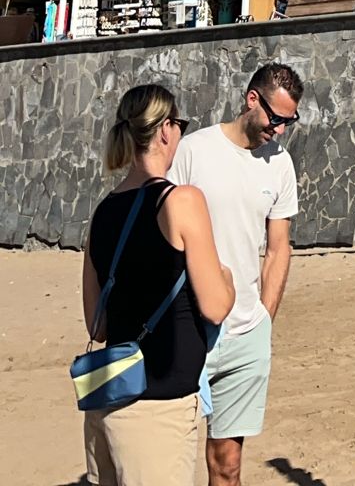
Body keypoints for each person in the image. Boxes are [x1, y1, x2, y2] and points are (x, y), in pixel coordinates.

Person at [81, 82, 235, 486]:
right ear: (165, 129)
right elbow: (216, 305)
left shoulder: (102, 213)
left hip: (108, 397)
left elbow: (97, 325)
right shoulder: (181, 201)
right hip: (159, 405)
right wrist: (228, 280)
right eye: (179, 124)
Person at [172, 61, 302, 486]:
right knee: (166, 463)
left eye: (289, 121)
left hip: (246, 335)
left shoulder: (280, 164)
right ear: (251, 100)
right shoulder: (194, 150)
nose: (280, 129)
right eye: (276, 118)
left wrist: (265, 316)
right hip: (188, 329)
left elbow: (279, 247)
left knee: (227, 466)